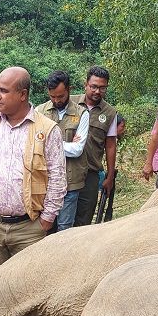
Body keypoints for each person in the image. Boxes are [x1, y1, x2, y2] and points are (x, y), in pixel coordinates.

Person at [0, 67, 66, 276]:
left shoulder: (47, 129)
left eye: (4, 91)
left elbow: (57, 178)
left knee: (26, 288)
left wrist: (47, 219)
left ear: (23, 95)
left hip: (29, 228)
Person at [35, 70, 88, 232]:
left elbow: (77, 149)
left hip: (70, 182)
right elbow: (34, 145)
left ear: (69, 90)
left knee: (65, 229)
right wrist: (65, 145)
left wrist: (47, 145)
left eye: (61, 96)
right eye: (53, 97)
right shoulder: (39, 111)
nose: (57, 100)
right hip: (44, 182)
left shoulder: (82, 114)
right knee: (41, 228)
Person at [72, 66, 118, 227]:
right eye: (94, 86)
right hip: (66, 169)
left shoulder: (110, 112)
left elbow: (110, 145)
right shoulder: (70, 103)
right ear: (86, 84)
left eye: (102, 88)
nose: (97, 91)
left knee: (83, 220)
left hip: (90, 173)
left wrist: (110, 176)